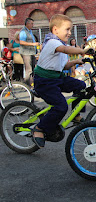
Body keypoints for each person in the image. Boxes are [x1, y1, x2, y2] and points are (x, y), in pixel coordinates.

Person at [31, 14, 90, 148]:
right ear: (55, 30)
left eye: (71, 30)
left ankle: (76, 115)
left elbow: (64, 66)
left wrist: (77, 61)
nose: (70, 33)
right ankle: (39, 129)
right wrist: (82, 50)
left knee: (81, 85)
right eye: (67, 29)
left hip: (57, 78)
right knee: (61, 106)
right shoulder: (53, 42)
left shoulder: (60, 44)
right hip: (44, 81)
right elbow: (65, 49)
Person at [19, 18, 40, 86]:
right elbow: (21, 42)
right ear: (27, 23)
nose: (32, 25)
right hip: (26, 53)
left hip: (32, 52)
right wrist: (33, 44)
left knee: (34, 68)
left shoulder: (30, 31)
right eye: (31, 23)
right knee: (29, 69)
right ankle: (27, 85)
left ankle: (33, 83)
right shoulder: (23, 31)